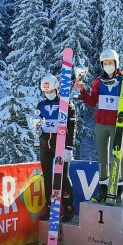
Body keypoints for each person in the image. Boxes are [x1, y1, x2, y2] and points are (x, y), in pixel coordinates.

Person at [78, 49, 123, 203]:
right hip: (101, 124)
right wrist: (82, 91)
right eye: (105, 63)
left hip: (117, 124)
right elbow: (92, 102)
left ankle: (118, 187)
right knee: (102, 156)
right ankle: (103, 188)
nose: (108, 65)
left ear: (116, 63)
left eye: (110, 62)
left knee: (117, 155)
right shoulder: (98, 81)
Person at [36, 74, 77, 222]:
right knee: (47, 178)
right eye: (46, 92)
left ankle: (68, 209)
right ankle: (50, 208)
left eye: (51, 91)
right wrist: (37, 129)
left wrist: (69, 147)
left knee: (63, 178)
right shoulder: (41, 105)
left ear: (57, 88)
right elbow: (39, 124)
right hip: (45, 146)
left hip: (61, 146)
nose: (48, 94)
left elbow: (72, 127)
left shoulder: (67, 104)